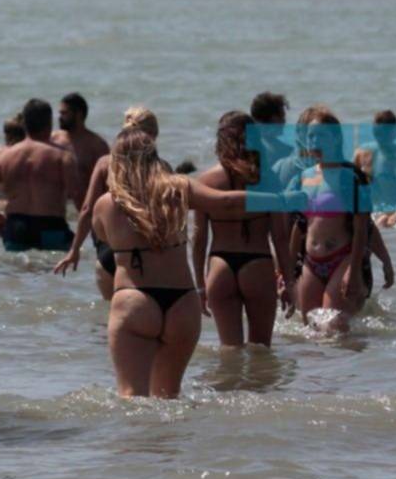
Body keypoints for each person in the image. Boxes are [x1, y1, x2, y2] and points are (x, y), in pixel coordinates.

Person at [93, 128, 271, 397]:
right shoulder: (179, 188)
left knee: (132, 397)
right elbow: (226, 202)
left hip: (135, 301)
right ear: (154, 156)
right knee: (169, 398)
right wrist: (281, 198)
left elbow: (103, 237)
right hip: (182, 305)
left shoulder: (106, 204)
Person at [194, 111, 291, 347]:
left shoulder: (205, 182)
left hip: (220, 267)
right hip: (258, 263)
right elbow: (280, 237)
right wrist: (289, 281)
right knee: (261, 349)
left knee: (230, 351)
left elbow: (199, 238)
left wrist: (200, 286)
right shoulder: (268, 178)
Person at [54, 107, 163, 300]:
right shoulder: (160, 167)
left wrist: (74, 250)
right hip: (148, 255)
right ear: (153, 136)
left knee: (113, 315)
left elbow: (87, 209)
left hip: (109, 253)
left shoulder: (105, 163)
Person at [288, 106, 372, 333]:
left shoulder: (350, 177)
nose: (314, 142)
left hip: (341, 258)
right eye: (310, 137)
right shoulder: (304, 177)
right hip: (311, 262)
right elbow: (299, 226)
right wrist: (286, 272)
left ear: (335, 138)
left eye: (321, 136)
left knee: (332, 329)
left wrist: (354, 270)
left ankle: (350, 358)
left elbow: (363, 227)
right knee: (308, 330)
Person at [0, 99, 80, 252]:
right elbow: (78, 198)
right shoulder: (62, 157)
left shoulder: (6, 156)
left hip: (17, 228)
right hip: (51, 227)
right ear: (49, 123)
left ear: (24, 124)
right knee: (57, 265)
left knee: (17, 267)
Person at [355, 110, 396, 228]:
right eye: (378, 133)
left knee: (383, 222)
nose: (380, 137)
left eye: (381, 133)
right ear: (395, 132)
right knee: (388, 220)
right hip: (383, 209)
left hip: (382, 209)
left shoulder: (362, 151)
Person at [52, 92, 110, 210]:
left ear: (78, 114)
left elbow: (107, 183)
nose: (59, 117)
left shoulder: (97, 145)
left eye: (64, 113)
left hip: (82, 208)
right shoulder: (53, 139)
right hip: (55, 208)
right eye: (60, 113)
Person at [250, 90, 293, 175]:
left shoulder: (243, 144)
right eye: (282, 116)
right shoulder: (287, 151)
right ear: (274, 118)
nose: (284, 121)